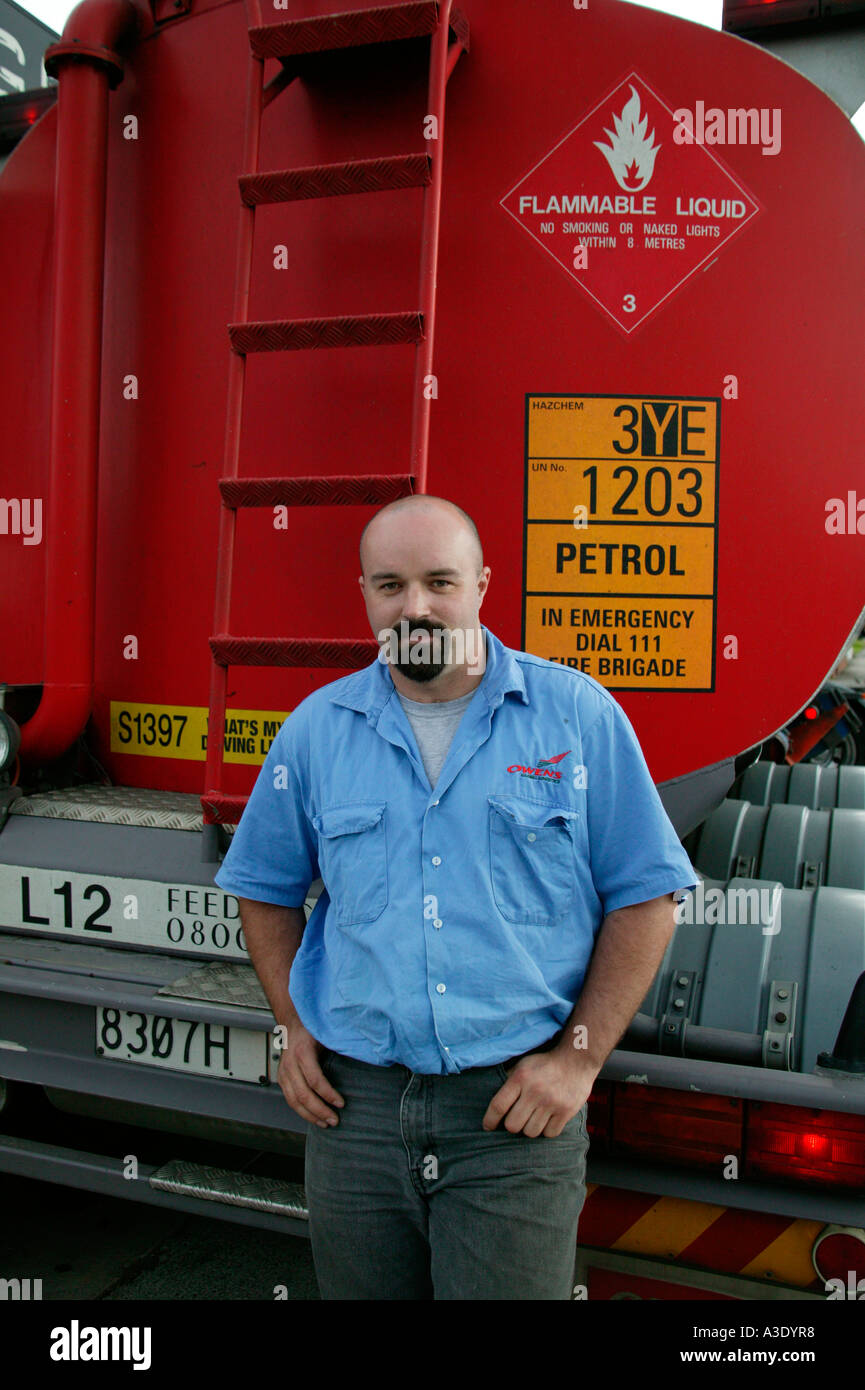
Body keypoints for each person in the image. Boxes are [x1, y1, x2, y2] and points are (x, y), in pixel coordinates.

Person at [213, 493, 696, 1300]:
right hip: (353, 1113)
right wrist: (292, 1024)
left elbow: (647, 895)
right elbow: (261, 888)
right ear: (364, 595)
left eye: (440, 580)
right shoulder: (315, 732)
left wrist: (578, 1062)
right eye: (389, 585)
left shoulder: (574, 716)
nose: (416, 606)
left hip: (511, 1118)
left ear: (482, 585)